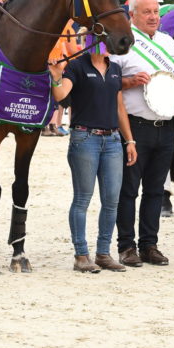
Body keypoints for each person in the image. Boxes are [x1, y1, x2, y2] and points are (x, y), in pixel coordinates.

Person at [111, 0, 174, 267]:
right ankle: (126, 246)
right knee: (129, 189)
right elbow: (108, 82)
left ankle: (149, 244)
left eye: (156, 11)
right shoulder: (123, 42)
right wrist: (130, 81)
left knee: (156, 190)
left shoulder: (168, 42)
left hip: (166, 126)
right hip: (135, 127)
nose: (154, 16)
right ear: (132, 15)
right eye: (147, 12)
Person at [49, 36, 137, 273]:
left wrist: (129, 139)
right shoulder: (77, 65)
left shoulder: (115, 68)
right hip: (85, 137)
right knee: (82, 199)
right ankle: (81, 255)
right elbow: (61, 95)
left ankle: (103, 253)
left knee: (111, 200)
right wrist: (57, 76)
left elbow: (120, 107)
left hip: (112, 140)